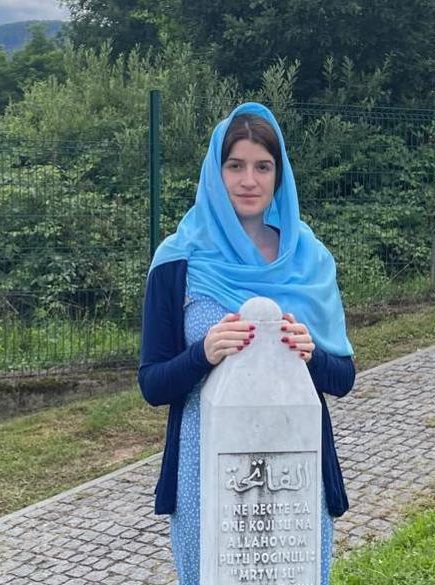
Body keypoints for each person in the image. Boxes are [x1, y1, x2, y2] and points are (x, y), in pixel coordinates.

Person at [138, 102, 356, 584]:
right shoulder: (178, 261)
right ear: (216, 173)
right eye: (235, 166)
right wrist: (204, 353)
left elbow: (343, 378)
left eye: (263, 166)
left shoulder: (309, 259)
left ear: (280, 175)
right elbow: (152, 384)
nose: (249, 180)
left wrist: (311, 354)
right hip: (203, 470)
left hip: (296, 471)